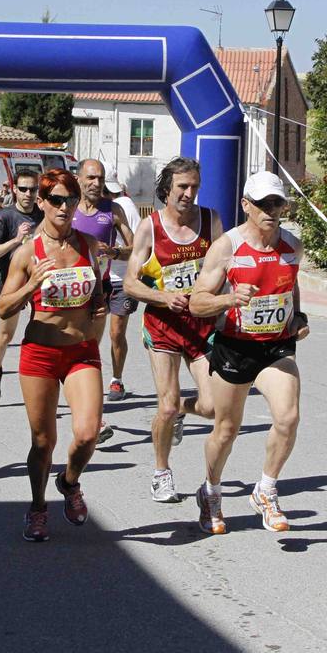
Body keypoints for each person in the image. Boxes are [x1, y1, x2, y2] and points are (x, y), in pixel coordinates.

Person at [189, 171, 311, 535]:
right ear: (246, 205)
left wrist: (298, 317)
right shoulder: (227, 247)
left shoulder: (293, 246)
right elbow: (197, 302)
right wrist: (229, 298)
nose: (271, 210)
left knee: (288, 417)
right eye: (263, 204)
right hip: (235, 345)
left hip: (275, 346)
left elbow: (292, 286)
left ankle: (266, 490)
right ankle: (210, 490)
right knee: (226, 430)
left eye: (277, 203)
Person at [0, 168, 107, 542]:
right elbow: (3, 307)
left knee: (88, 432)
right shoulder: (28, 253)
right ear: (41, 202)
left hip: (81, 350)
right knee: (43, 441)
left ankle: (69, 481)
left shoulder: (89, 245)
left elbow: (98, 290)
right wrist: (31, 283)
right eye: (57, 200)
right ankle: (37, 507)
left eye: (71, 200)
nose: (65, 207)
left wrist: (100, 307)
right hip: (40, 353)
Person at [123, 158, 223, 504]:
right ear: (168, 188)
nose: (189, 193)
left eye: (194, 186)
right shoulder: (151, 227)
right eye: (182, 186)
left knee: (212, 406)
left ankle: (181, 407)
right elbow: (131, 284)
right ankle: (161, 472)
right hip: (163, 324)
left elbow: (225, 269)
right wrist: (162, 296)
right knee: (164, 407)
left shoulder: (211, 220)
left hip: (200, 325)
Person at [73, 160, 135, 403]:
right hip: (76, 286)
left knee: (113, 334)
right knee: (82, 339)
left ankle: (114, 380)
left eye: (100, 178)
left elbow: (134, 248)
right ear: (78, 179)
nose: (96, 183)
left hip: (106, 284)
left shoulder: (113, 210)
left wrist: (114, 253)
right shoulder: (67, 208)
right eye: (90, 178)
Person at [0, 167, 43, 402]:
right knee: (6, 335)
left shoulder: (44, 214)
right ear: (15, 190)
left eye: (33, 189)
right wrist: (16, 240)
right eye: (24, 189)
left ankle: (41, 385)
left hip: (40, 285)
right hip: (12, 285)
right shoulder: (5, 217)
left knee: (41, 334)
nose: (28, 194)